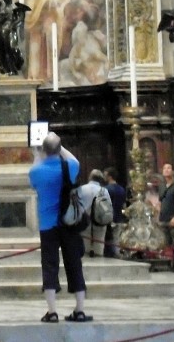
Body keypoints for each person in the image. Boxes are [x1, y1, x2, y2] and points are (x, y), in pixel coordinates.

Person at [28, 132, 92, 323]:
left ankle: (52, 311)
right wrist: (59, 146)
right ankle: (79, 310)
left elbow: (33, 181)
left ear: (44, 150)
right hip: (69, 222)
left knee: (49, 265)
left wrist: (37, 154)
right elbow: (73, 158)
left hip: (48, 224)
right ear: (59, 149)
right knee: (74, 264)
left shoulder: (36, 171)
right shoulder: (70, 166)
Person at [79, 169, 107, 258]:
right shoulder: (104, 190)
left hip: (84, 219)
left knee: (84, 242)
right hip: (100, 220)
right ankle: (98, 259)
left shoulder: (82, 189)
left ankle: (86, 260)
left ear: (90, 177)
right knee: (99, 241)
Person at [103, 167, 127, 258]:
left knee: (108, 240)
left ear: (109, 176)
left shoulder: (106, 189)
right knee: (117, 240)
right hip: (119, 217)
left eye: (105, 175)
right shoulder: (121, 189)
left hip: (109, 218)